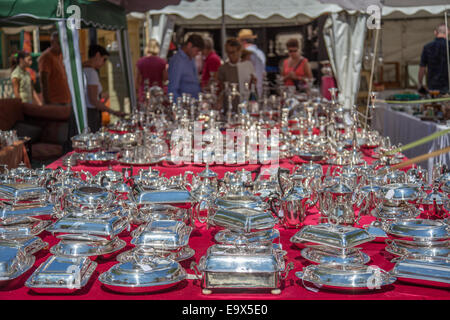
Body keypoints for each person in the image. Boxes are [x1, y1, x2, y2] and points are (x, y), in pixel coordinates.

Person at [82, 44, 125, 132]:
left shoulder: (82, 69)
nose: (104, 63)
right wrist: (113, 112)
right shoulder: (91, 72)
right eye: (104, 59)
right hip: (91, 114)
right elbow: (93, 100)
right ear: (97, 55)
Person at [216, 38, 256, 112]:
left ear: (239, 51)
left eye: (233, 52)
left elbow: (253, 86)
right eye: (228, 52)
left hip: (245, 103)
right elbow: (221, 89)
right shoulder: (223, 69)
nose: (230, 55)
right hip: (229, 106)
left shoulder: (248, 65)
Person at [38, 32, 71, 106]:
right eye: (59, 43)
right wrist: (47, 102)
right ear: (52, 42)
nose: (62, 46)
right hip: (55, 101)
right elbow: (43, 80)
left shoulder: (60, 56)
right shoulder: (47, 57)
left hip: (64, 100)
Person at [168, 34, 205, 100]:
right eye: (197, 50)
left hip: (194, 101)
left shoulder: (191, 59)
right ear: (189, 45)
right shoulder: (177, 61)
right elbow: (172, 89)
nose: (197, 54)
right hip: (185, 104)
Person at [418, 23, 450, 95]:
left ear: (435, 32)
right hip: (448, 84)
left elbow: (422, 68)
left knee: (434, 105)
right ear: (448, 32)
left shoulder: (427, 47)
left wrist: (420, 83)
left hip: (433, 85)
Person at [237, 29, 266, 97]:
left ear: (243, 42)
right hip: (259, 87)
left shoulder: (245, 53)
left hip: (247, 88)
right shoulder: (260, 53)